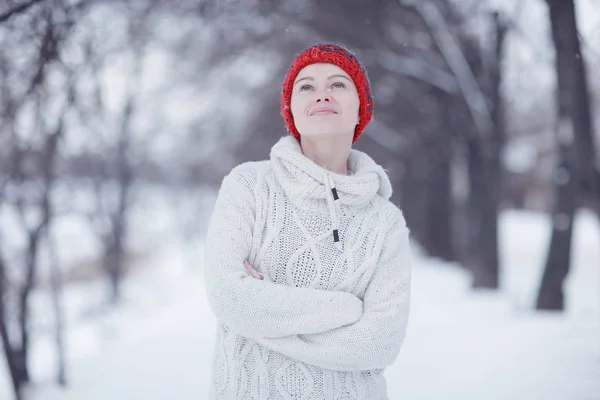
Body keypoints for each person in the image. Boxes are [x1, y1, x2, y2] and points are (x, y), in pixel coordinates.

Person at [204, 43, 411, 400]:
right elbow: (230, 299)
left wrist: (265, 316)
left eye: (337, 84)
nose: (322, 95)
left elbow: (379, 345)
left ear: (361, 106)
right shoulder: (249, 187)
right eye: (307, 87)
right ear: (292, 110)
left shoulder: (386, 223)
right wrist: (346, 308)